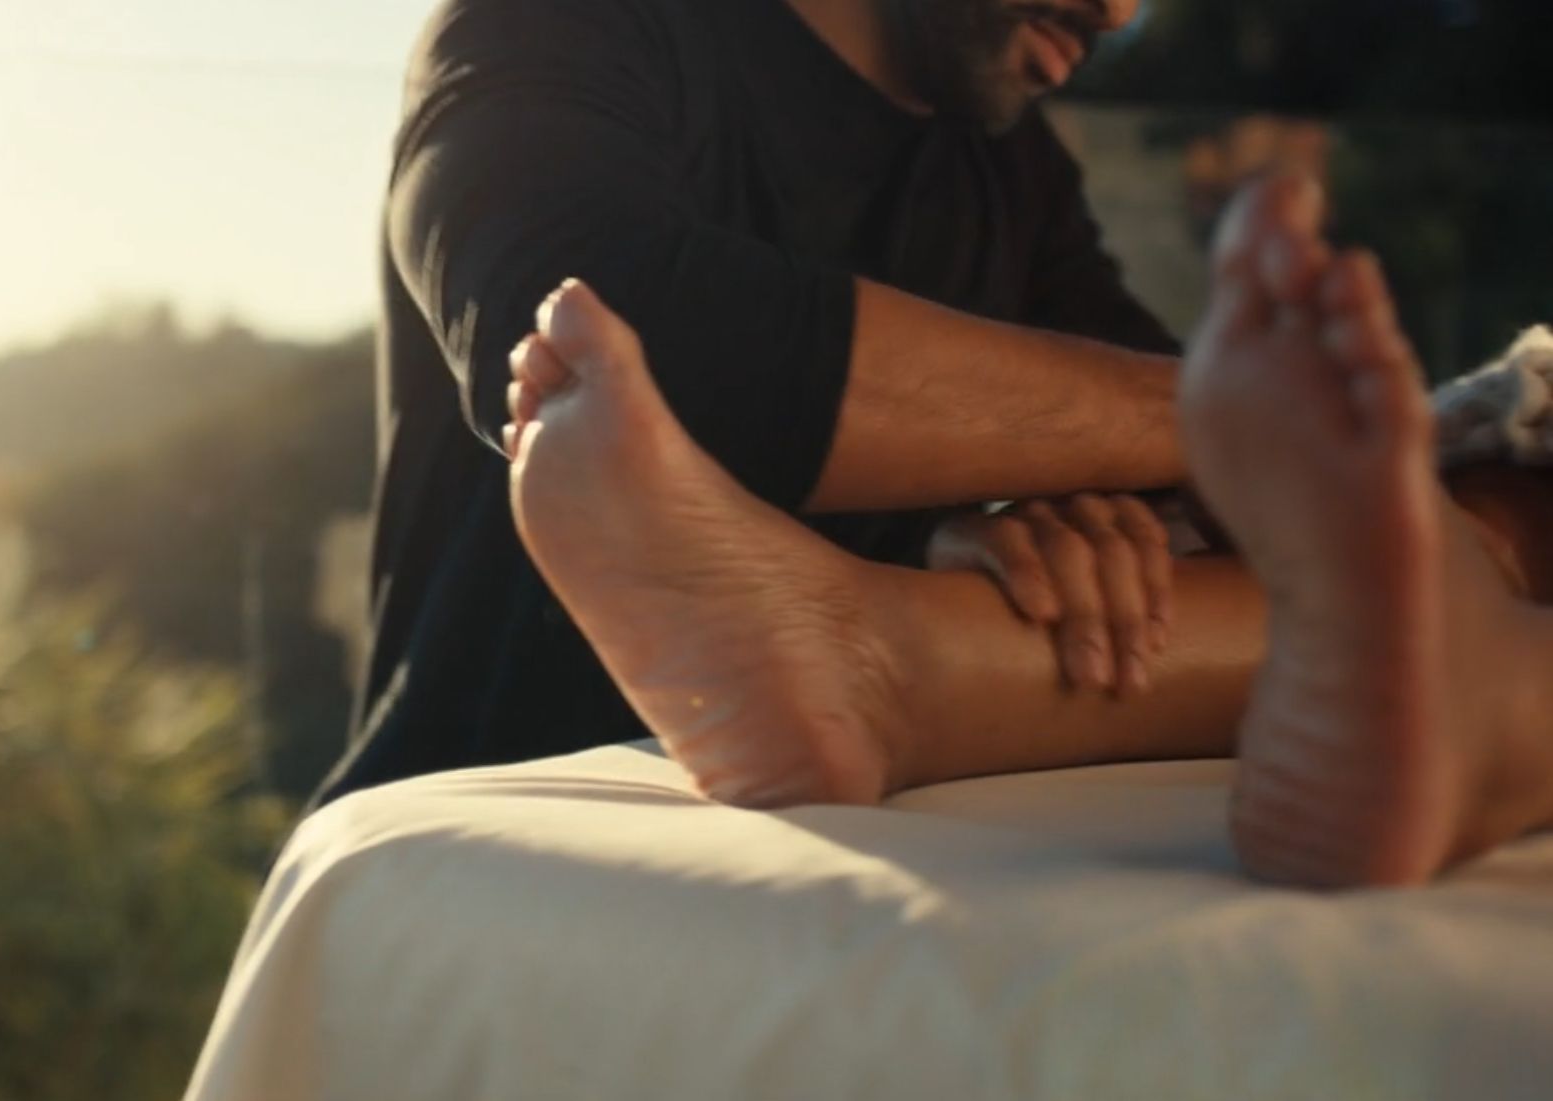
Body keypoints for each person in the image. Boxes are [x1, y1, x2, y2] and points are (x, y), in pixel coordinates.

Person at [500, 171, 1553, 888]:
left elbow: (1152, 420)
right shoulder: (578, 43)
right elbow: (656, 319)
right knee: (1492, 502)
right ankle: (1470, 628)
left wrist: (1183, 458)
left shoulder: (1004, 153)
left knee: (1439, 537)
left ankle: (897, 663)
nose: (1117, 11)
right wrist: (1041, 497)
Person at [325, 0, 1198, 805]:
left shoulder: (1008, 164)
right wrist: (1204, 425)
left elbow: (1190, 456)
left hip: (859, 828)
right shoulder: (565, 22)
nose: (1118, 11)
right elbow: (589, 343)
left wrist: (981, 546)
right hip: (503, 811)